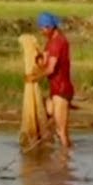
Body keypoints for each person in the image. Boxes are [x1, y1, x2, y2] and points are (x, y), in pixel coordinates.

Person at [26, 11, 75, 149]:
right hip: (55, 89)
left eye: (43, 28)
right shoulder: (51, 42)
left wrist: (34, 78)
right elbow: (45, 62)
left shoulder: (58, 43)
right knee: (46, 113)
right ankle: (53, 153)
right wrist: (36, 56)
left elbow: (50, 69)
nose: (41, 31)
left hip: (62, 90)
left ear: (50, 27)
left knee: (61, 131)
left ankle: (66, 160)